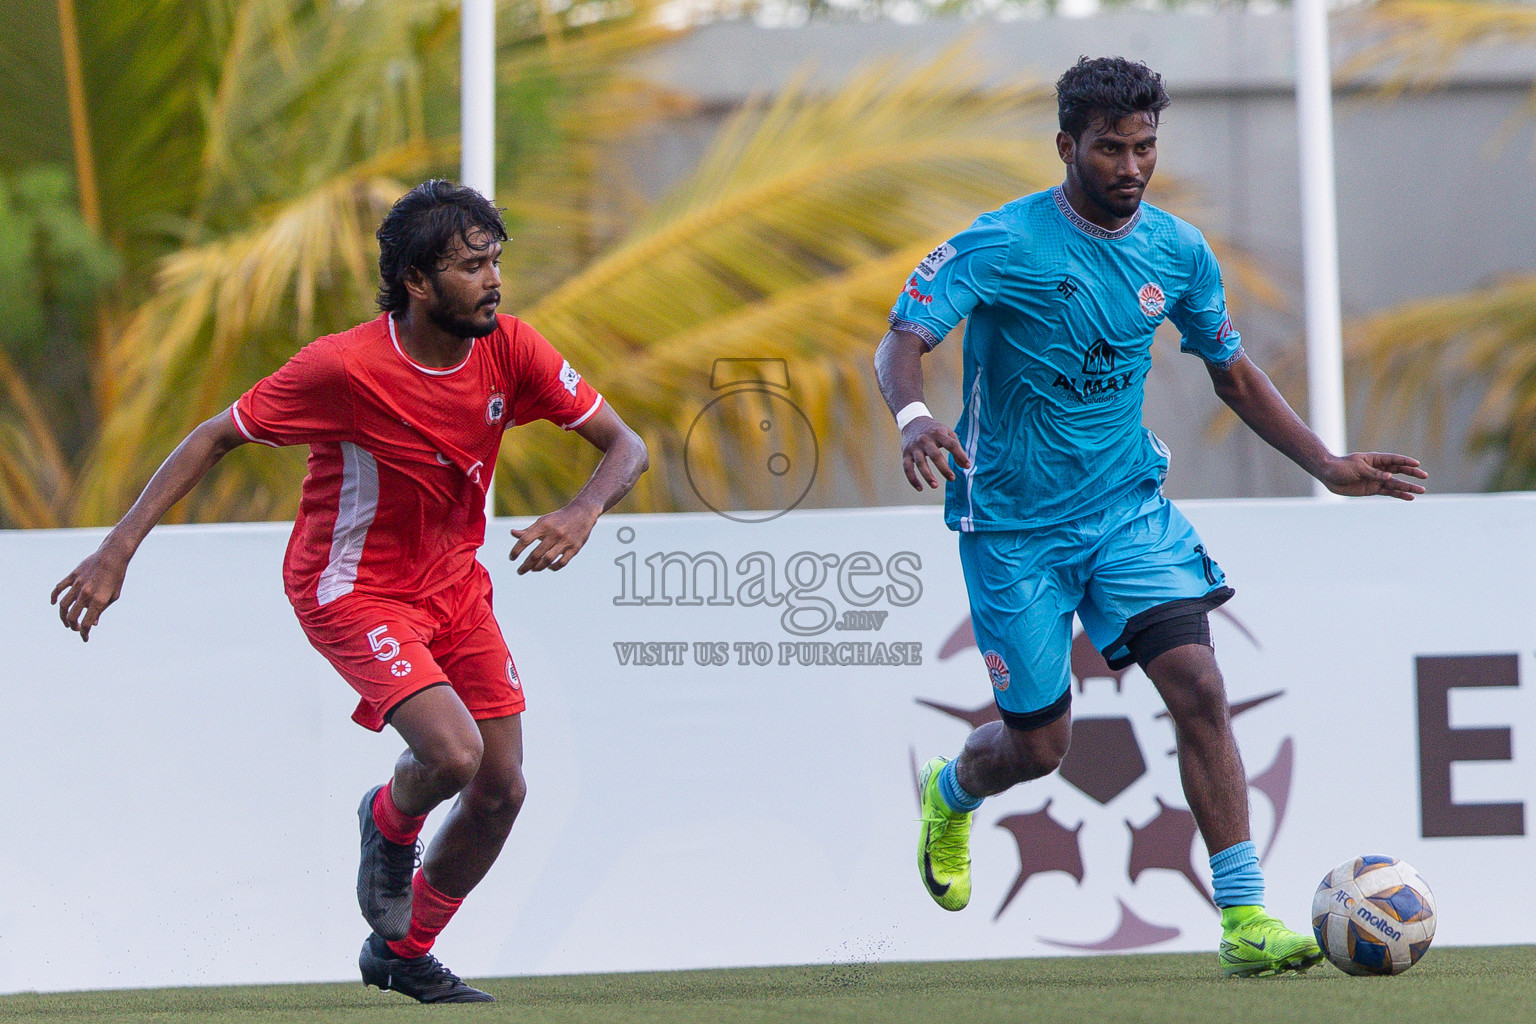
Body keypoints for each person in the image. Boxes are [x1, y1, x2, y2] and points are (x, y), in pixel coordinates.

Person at [875, 57, 1427, 976]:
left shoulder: (1177, 251)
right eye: (1109, 147)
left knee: (1201, 688)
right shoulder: (1000, 244)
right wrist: (915, 415)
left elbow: (1233, 372)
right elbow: (902, 341)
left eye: (1145, 147)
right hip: (1013, 531)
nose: (1131, 166)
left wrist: (1327, 464)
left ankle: (1245, 919)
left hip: (1128, 512)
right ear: (1067, 146)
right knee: (1040, 745)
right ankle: (954, 789)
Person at [51, 180, 648, 1002]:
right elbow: (215, 436)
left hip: (457, 586)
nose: (493, 280)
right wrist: (118, 549)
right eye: (472, 267)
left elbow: (626, 445)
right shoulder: (343, 366)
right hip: (351, 587)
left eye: (495, 261)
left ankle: (403, 954)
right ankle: (388, 819)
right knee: (453, 753)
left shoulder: (512, 348)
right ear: (416, 281)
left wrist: (584, 511)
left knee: (502, 788)